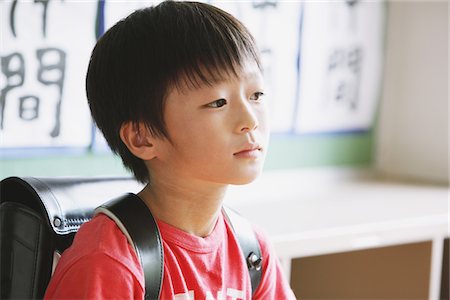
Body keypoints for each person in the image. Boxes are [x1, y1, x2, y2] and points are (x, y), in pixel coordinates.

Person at [45, 1, 296, 299]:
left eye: (256, 95)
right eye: (218, 102)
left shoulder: (252, 252)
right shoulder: (108, 262)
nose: (250, 121)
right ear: (143, 138)